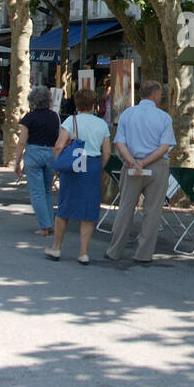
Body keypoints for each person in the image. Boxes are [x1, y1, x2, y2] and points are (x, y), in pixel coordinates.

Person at [104, 80, 177, 264]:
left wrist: (132, 162)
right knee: (152, 212)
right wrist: (144, 162)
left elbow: (119, 142)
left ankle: (114, 250)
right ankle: (144, 253)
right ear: (155, 95)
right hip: (157, 166)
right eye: (160, 94)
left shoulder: (128, 114)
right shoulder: (164, 117)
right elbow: (164, 147)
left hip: (131, 164)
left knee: (125, 208)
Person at [47, 89, 111, 265]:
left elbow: (59, 145)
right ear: (94, 105)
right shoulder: (102, 125)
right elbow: (107, 152)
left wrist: (59, 164)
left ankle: (57, 247)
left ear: (77, 104)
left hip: (74, 164)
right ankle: (83, 252)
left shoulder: (71, 121)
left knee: (64, 206)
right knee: (88, 210)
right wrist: (99, 166)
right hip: (93, 166)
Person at [13, 86, 60, 237]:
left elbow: (22, 142)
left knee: (37, 192)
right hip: (50, 153)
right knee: (46, 190)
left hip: (34, 153)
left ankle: (44, 226)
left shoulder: (29, 118)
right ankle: (50, 223)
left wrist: (17, 161)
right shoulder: (55, 117)